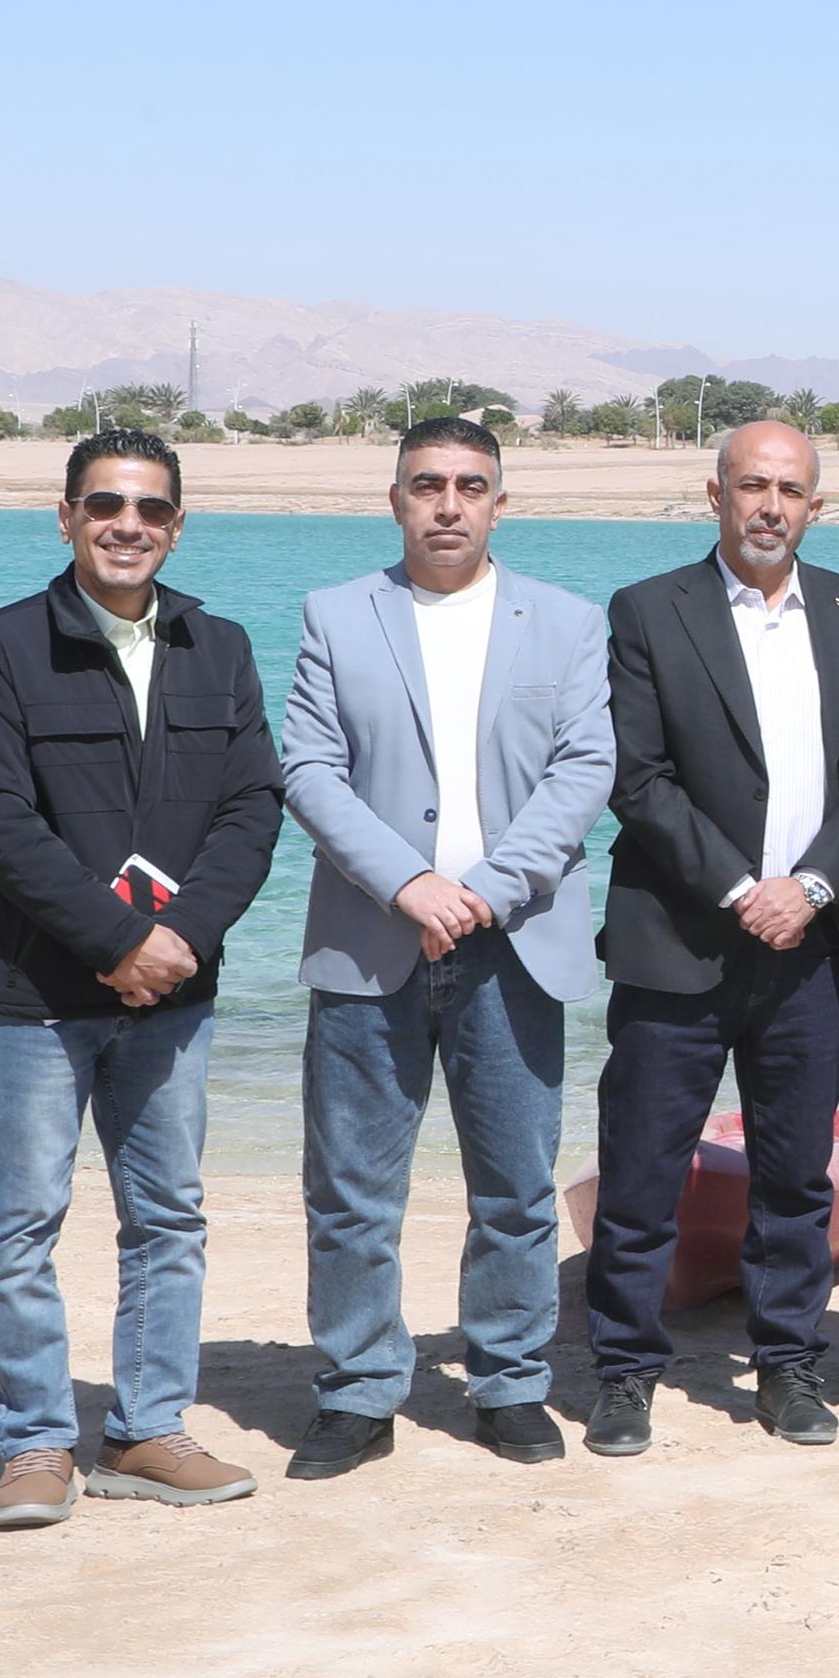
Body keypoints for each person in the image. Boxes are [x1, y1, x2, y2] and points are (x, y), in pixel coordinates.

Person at [0, 428, 286, 1528]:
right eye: (104, 505)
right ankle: (36, 1443)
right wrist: (115, 940)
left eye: (150, 508)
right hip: (30, 1000)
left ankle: (145, 1430)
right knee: (20, 1224)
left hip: (173, 997)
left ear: (177, 525)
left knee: (168, 1216)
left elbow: (252, 807)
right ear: (66, 517)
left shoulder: (219, 646)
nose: (127, 525)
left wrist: (180, 940)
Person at [273, 414, 614, 1478]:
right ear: (396, 500)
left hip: (515, 943)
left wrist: (484, 893)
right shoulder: (338, 615)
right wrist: (408, 884)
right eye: (428, 484)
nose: (449, 504)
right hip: (370, 939)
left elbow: (584, 771)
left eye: (471, 485)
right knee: (352, 1191)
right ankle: (358, 1391)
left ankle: (509, 1381)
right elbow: (308, 770)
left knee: (514, 1187)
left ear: (500, 503)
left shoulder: (568, 623)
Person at [579, 421, 839, 1456]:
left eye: (791, 489)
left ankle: (787, 1364)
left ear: (816, 505)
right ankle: (625, 1371)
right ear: (715, 494)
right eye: (753, 485)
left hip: (812, 940)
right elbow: (638, 777)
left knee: (796, 1175)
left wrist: (807, 887)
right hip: (678, 938)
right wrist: (738, 889)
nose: (771, 505)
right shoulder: (648, 610)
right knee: (643, 1169)